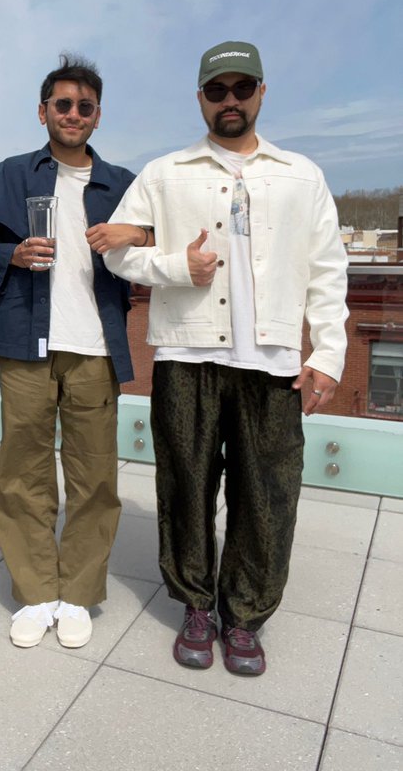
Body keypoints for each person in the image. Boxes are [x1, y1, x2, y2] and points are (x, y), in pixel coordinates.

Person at [105, 40, 348, 675]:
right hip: (186, 354)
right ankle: (195, 604)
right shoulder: (164, 173)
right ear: (200, 99)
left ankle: (244, 615)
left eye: (242, 88)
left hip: (272, 362)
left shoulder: (301, 175)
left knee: (267, 493)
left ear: (261, 92)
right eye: (217, 90)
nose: (230, 100)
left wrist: (328, 352)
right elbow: (117, 251)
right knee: (185, 486)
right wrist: (174, 267)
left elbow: (328, 268)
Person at [0, 54, 145, 649]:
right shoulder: (8, 176)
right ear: (43, 112)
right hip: (25, 343)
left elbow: (162, 237)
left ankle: (79, 593)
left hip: (96, 347)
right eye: (62, 104)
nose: (73, 114)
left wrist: (137, 232)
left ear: (97, 116)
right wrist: (6, 253)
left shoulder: (124, 184)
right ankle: (36, 591)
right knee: (23, 472)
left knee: (94, 477)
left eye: (85, 106)